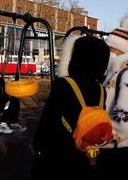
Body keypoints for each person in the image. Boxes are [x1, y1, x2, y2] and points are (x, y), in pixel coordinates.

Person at [31, 35, 110, 180]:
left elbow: (48, 120)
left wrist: (38, 145)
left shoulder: (63, 84)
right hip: (87, 152)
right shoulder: (100, 90)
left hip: (60, 153)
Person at [98, 18, 128, 180]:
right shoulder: (121, 69)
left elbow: (127, 118)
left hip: (119, 146)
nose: (108, 52)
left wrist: (105, 139)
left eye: (111, 47)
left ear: (119, 49)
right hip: (121, 147)